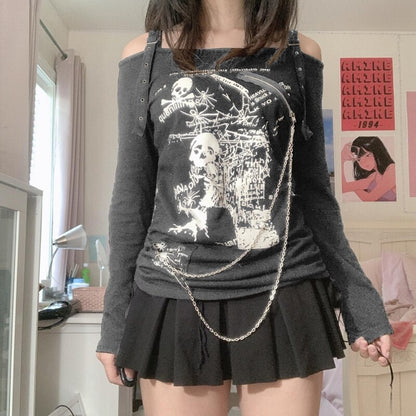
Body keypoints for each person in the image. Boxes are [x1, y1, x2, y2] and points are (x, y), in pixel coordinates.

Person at [96, 1, 392, 415]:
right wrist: (115, 318)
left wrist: (360, 300)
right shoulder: (144, 56)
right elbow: (132, 195)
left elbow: (314, 194)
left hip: (285, 286)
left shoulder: (299, 53)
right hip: (172, 290)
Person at [342, 136, 396, 201]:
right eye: (359, 159)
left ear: (377, 152)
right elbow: (343, 187)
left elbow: (369, 198)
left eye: (367, 155)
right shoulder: (373, 177)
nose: (363, 162)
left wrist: (354, 188)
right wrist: (342, 159)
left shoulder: (392, 169)